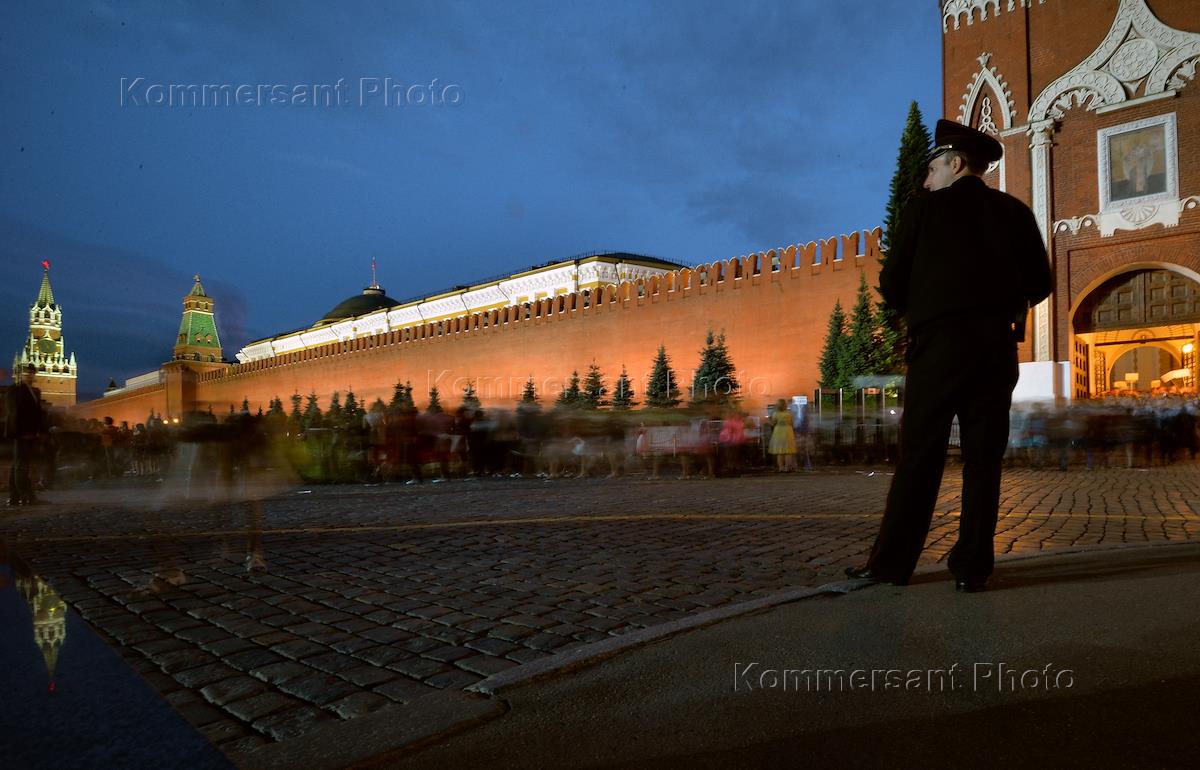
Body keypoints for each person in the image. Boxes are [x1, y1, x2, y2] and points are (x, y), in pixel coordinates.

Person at [846, 120, 1052, 593]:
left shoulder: (924, 209)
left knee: (920, 455)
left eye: (932, 169)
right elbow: (1040, 283)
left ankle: (892, 564)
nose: (925, 181)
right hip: (996, 347)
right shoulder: (1015, 212)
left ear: (955, 163)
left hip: (938, 345)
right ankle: (973, 567)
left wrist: (926, 304)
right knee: (984, 459)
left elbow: (891, 282)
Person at [7, 365, 46, 506]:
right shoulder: (15, 390)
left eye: (32, 373)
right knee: (21, 465)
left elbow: (37, 413)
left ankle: (14, 497)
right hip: (22, 433)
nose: (30, 376)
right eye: (27, 373)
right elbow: (14, 412)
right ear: (21, 374)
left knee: (19, 464)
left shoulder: (35, 391)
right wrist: (20, 432)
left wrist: (39, 431)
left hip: (31, 433)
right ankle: (26, 496)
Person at [767, 398, 796, 472]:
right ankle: (787, 467)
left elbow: (773, 424)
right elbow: (792, 423)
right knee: (788, 451)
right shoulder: (789, 413)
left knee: (780, 452)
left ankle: (781, 468)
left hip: (778, 432)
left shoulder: (775, 414)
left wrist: (768, 420)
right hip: (788, 431)